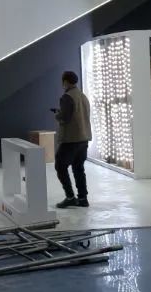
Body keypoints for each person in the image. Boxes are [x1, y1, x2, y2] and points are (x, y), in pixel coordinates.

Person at [53, 71, 92, 209]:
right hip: (84, 138)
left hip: (70, 139)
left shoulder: (67, 97)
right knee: (78, 168)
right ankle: (83, 198)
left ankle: (70, 197)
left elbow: (65, 118)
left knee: (60, 166)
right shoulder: (83, 96)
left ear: (65, 81)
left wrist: (57, 115)